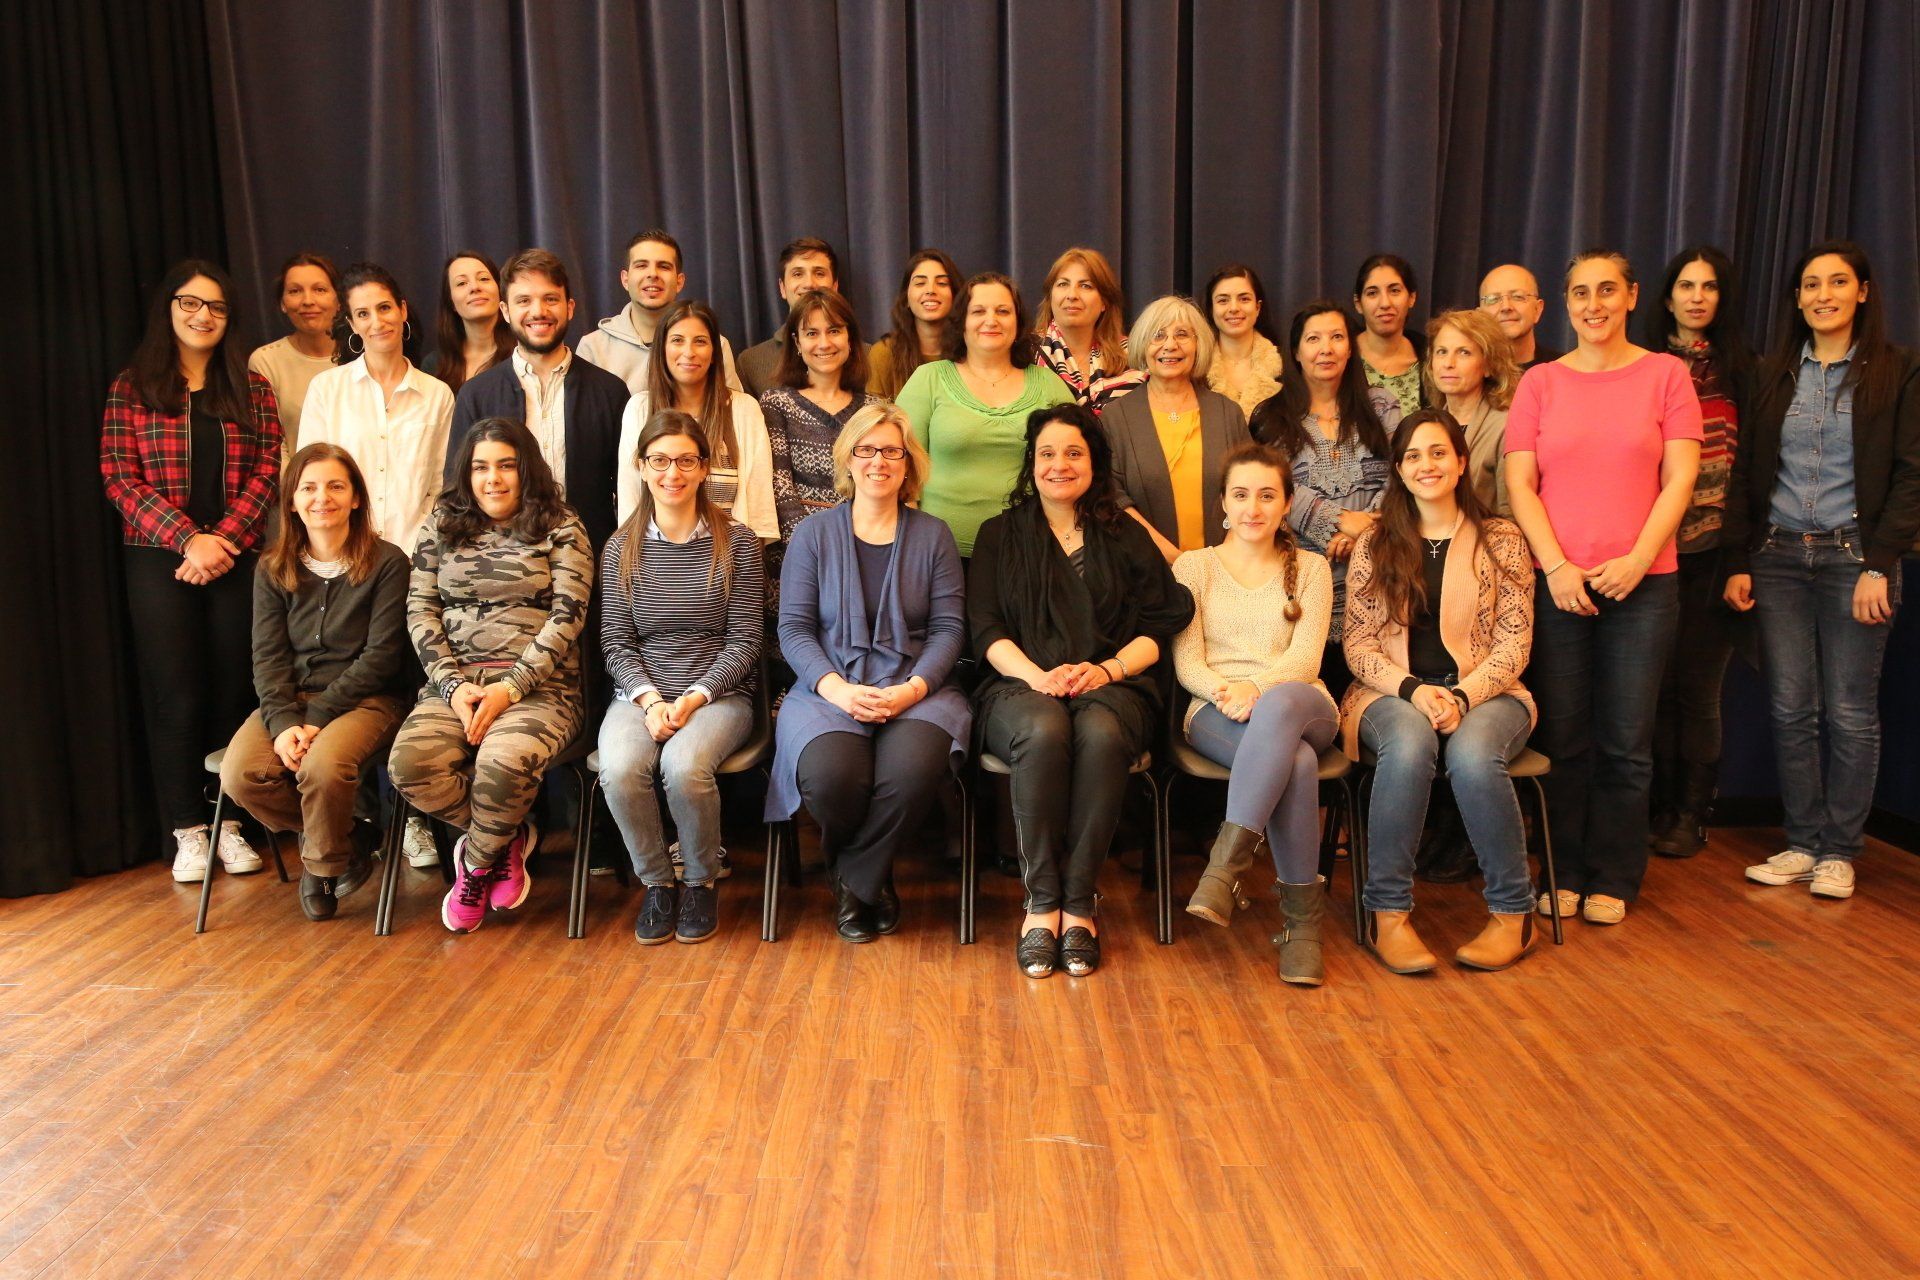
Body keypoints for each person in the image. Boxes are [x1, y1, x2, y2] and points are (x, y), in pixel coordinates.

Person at [1505, 249, 1702, 926]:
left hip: (1644, 587)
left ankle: (1615, 876)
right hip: (1561, 587)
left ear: (1631, 296)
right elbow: (1520, 484)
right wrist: (1556, 566)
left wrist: (1639, 558)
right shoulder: (1541, 383)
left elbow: (1681, 478)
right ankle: (1562, 870)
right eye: (1581, 293)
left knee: (1626, 743)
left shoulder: (1667, 375)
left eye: (1607, 290)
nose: (1594, 304)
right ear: (1566, 303)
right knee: (1564, 739)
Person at [969, 404, 1195, 977]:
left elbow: (1161, 625)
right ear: (1031, 462)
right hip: (1019, 684)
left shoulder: (1125, 534)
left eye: (1074, 453)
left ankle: (1079, 903)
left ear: (1095, 462)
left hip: (1115, 683)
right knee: (1043, 729)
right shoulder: (1000, 534)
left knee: (1099, 732)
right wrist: (1035, 676)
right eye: (1047, 453)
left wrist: (1109, 669)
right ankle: (1041, 904)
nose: (1059, 465)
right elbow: (986, 629)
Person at [1726, 240, 1920, 902]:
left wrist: (1880, 564)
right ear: (1797, 298)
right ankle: (1802, 842)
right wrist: (1740, 559)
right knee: (1791, 708)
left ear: (1862, 292)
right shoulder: (1774, 371)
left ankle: (1840, 850)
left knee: (1850, 711)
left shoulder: (1898, 370)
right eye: (1811, 284)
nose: (1823, 295)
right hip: (1778, 556)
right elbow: (1748, 470)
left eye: (1837, 283)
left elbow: (1911, 475)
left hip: (1855, 560)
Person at [100, 259, 282, 882]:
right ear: (169, 309)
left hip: (235, 554)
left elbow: (268, 469)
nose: (204, 316)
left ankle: (230, 824)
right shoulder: (133, 387)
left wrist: (222, 540)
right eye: (191, 303)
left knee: (235, 690)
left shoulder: (251, 387)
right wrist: (188, 540)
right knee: (175, 695)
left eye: (217, 307)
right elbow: (119, 476)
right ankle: (187, 830)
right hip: (159, 559)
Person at [1343, 410, 1539, 973]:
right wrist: (1412, 690)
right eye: (1412, 456)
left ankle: (1512, 915)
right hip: (1389, 693)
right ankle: (1388, 915)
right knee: (1409, 747)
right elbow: (1358, 643)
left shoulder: (1501, 538)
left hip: (1489, 693)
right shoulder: (1376, 542)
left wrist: (1464, 696)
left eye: (1437, 453)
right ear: (1398, 470)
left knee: (1474, 757)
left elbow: (1514, 643)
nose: (1425, 465)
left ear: (1460, 462)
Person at [767, 405, 970, 941]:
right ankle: (873, 879)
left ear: (908, 464)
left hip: (919, 686)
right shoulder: (812, 535)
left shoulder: (934, 535)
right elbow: (794, 629)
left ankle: (856, 881)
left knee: (909, 775)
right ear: (848, 459)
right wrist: (836, 690)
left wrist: (911, 690)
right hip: (827, 686)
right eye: (867, 449)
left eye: (891, 451)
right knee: (832, 779)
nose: (879, 461)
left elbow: (949, 630)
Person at [391, 418, 592, 934]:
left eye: (506, 466)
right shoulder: (440, 524)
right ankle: (508, 837)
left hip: (542, 690)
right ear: (466, 473)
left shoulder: (561, 525)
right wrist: (452, 687)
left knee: (502, 764)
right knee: (410, 766)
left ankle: (477, 866)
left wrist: (511, 688)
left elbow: (568, 616)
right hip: (453, 686)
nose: (493, 478)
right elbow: (420, 610)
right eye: (480, 467)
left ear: (527, 470)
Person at [219, 444, 412, 920]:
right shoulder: (272, 567)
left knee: (322, 769)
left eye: (335, 486)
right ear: (291, 501)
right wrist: (285, 722)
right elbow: (268, 657)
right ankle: (351, 835)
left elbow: (381, 657)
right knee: (242, 775)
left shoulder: (388, 562)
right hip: (291, 703)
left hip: (368, 701)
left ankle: (323, 868)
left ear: (356, 498)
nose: (321, 497)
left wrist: (317, 718)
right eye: (308, 488)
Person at [1171, 444, 1337, 984]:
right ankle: (1302, 929)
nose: (1253, 508)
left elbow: (1306, 659)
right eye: (1241, 495)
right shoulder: (1193, 567)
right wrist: (1229, 692)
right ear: (1223, 501)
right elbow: (1187, 662)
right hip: (1215, 708)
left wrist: (1256, 688)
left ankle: (1225, 868)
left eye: (1267, 496)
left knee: (1282, 705)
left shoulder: (1310, 568)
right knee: (1299, 764)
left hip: (1301, 701)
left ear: (1286, 504)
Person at [597, 411, 764, 944]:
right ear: (641, 466)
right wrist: (650, 701)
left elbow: (746, 640)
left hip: (718, 695)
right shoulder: (620, 547)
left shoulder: (737, 542)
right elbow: (615, 642)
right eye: (661, 460)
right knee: (620, 769)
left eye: (686, 460)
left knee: (684, 766)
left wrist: (692, 698)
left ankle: (699, 881)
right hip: (641, 694)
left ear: (704, 468)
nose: (673, 473)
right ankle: (657, 882)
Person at [1645, 246, 1753, 858]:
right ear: (1667, 297)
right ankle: (1657, 806)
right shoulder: (1646, 366)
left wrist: (1739, 558)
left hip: (1714, 550)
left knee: (1698, 688)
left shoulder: (1744, 371)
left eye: (1708, 287)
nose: (1696, 297)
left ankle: (1691, 813)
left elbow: (1752, 469)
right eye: (1686, 286)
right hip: (1650, 548)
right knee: (1655, 687)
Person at [444, 248, 626, 549]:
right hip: (500, 565)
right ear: (505, 311)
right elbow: (457, 491)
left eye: (550, 299)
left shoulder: (610, 392)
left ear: (570, 307)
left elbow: (631, 491)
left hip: (591, 560)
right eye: (524, 301)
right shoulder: (475, 395)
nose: (538, 311)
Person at [1251, 301, 1402, 646]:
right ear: (1296, 352)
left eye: (1336, 337)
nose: (1326, 348)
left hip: (1380, 568)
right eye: (1313, 339)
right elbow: (1275, 486)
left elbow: (1401, 473)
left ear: (1350, 348)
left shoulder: (1381, 405)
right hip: (1301, 575)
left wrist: (1363, 532)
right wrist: (1341, 521)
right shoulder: (1270, 416)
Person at [897, 272, 1073, 557]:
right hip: (940, 554)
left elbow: (1079, 463)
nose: (991, 320)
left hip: (1033, 552)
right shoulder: (928, 379)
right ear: (961, 322)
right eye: (978, 311)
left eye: (1003, 311)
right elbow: (899, 466)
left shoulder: (1049, 384)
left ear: (1018, 322)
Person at [300, 262, 455, 548]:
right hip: (343, 550)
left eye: (384, 308)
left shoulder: (437, 394)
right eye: (363, 313)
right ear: (352, 324)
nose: (377, 322)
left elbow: (441, 484)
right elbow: (310, 479)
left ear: (402, 310)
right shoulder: (326, 389)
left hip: (415, 553)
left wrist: (422, 544)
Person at [1103, 294, 1252, 563]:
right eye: (1158, 335)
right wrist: (1177, 560)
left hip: (1226, 567)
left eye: (1182, 334)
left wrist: (1219, 561)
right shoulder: (1115, 417)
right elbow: (1112, 497)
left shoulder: (1227, 413)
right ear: (1142, 345)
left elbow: (1250, 487)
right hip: (1144, 570)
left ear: (1198, 344)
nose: (1170, 345)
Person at [615, 299, 779, 539]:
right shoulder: (639, 409)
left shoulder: (744, 410)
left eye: (700, 341)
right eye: (677, 340)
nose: (689, 352)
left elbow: (759, 513)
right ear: (662, 349)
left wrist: (746, 558)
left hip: (732, 555)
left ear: (714, 353)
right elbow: (630, 507)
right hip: (656, 557)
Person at [761, 288, 876, 541]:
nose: (824, 343)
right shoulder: (777, 404)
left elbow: (880, 488)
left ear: (850, 338)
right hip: (797, 548)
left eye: (834, 331)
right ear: (797, 343)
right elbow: (779, 488)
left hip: (863, 543)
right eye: (812, 333)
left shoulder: (873, 410)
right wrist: (814, 544)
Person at [575, 228, 742, 394]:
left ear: (679, 281)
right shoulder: (593, 348)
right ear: (625, 280)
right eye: (641, 265)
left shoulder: (714, 346)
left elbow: (732, 407)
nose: (652, 274)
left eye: (664, 266)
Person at [1423, 308, 1522, 515]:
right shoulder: (1426, 426)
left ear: (1488, 365)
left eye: (1464, 352)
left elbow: (1512, 515)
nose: (1448, 364)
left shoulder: (1506, 426)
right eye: (1442, 352)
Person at [248, 252, 340, 459]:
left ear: (339, 300)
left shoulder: (363, 355)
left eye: (320, 290)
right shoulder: (266, 361)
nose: (308, 301)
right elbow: (272, 446)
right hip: (295, 478)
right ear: (283, 303)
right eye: (295, 291)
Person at [737, 237, 856, 396]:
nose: (809, 284)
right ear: (782, 288)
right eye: (798, 274)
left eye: (819, 273)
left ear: (835, 286)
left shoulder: (869, 356)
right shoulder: (750, 363)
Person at [1031, 246, 1145, 413]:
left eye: (1085, 286)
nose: (1072, 295)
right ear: (1050, 297)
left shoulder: (1134, 357)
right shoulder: (1027, 354)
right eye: (1063, 284)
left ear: (1104, 302)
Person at [867, 249, 960, 399]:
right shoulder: (883, 354)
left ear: (956, 296)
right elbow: (874, 413)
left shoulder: (971, 352)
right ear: (906, 299)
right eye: (920, 283)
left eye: (942, 283)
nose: (930, 290)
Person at [1203, 264, 1284, 420]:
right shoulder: (1196, 368)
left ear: (1258, 307)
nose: (1234, 308)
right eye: (1223, 300)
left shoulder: (1285, 366)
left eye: (1244, 299)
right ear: (1211, 309)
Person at [427, 250, 513, 396]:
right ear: (451, 302)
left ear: (500, 289)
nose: (474, 287)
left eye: (484, 279)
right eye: (461, 283)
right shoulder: (435, 365)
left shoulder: (524, 354)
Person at [1353, 253, 1425, 416]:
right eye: (1372, 293)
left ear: (1412, 298)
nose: (1385, 303)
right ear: (1358, 304)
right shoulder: (1342, 357)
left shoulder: (1431, 357)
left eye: (1394, 291)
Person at [1479, 264, 1563, 369]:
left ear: (1537, 309)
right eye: (1493, 299)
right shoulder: (1469, 374)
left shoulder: (1563, 370)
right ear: (1480, 315)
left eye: (1517, 297)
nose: (1506, 307)